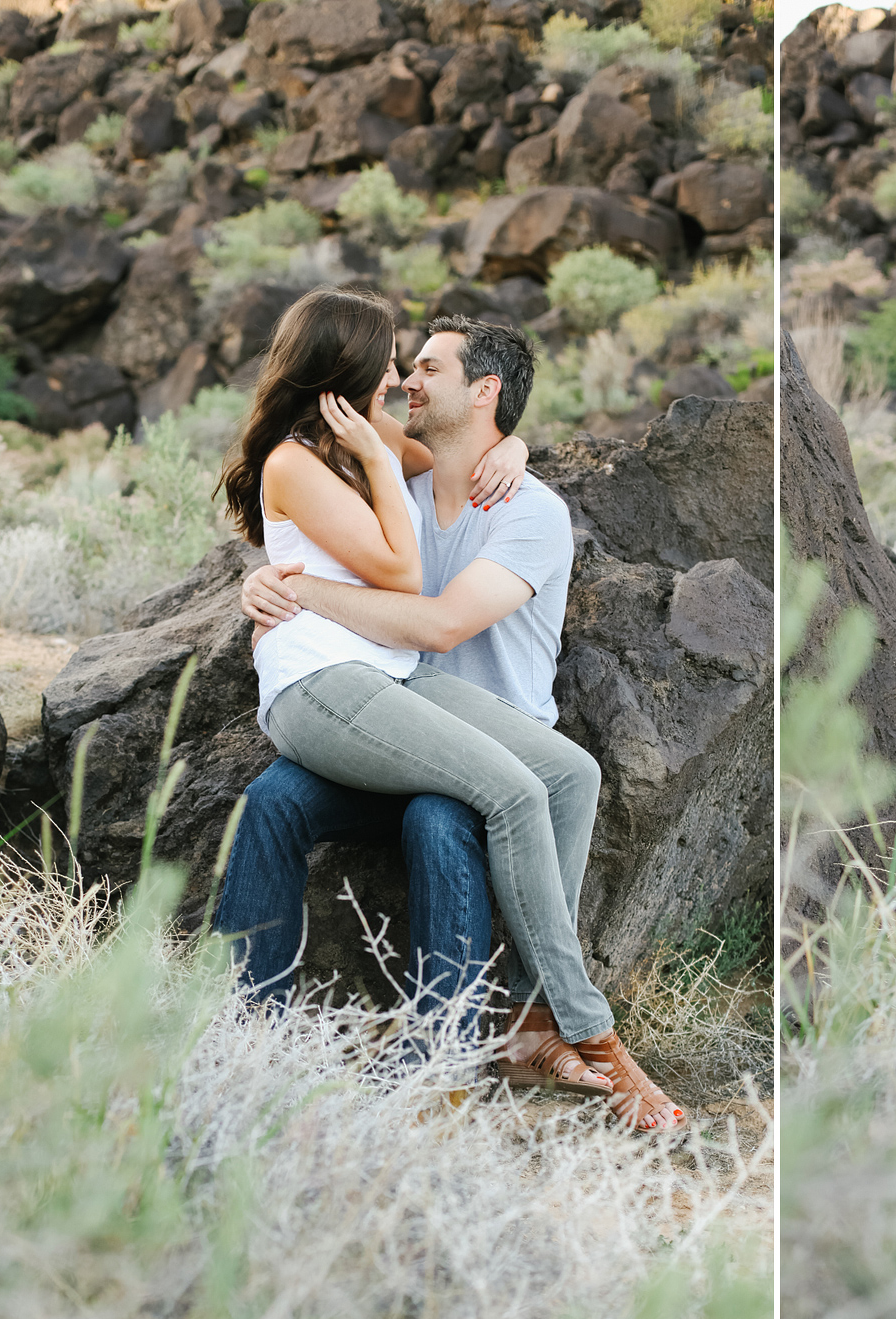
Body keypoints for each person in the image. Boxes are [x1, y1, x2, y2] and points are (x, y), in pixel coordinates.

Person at [215, 288, 683, 1132]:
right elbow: (394, 570)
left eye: (424, 366)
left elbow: (425, 603)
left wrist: (515, 449)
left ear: (485, 394)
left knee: (561, 774)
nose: (402, 378)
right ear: (345, 372)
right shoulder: (328, 459)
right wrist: (271, 583)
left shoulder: (495, 495)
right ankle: (254, 1030)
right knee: (276, 803)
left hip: (407, 692)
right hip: (358, 690)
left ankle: (508, 1023)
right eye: (395, 362)